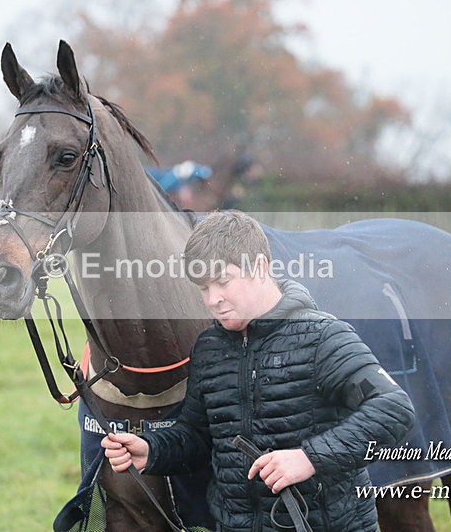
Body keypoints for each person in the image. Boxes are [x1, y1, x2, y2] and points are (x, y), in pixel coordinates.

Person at [101, 210, 415, 531]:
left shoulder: (323, 336)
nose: (213, 299)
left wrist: (308, 458)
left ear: (260, 268)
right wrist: (151, 450)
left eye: (222, 281)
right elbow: (198, 438)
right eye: (203, 288)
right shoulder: (209, 348)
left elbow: (393, 409)